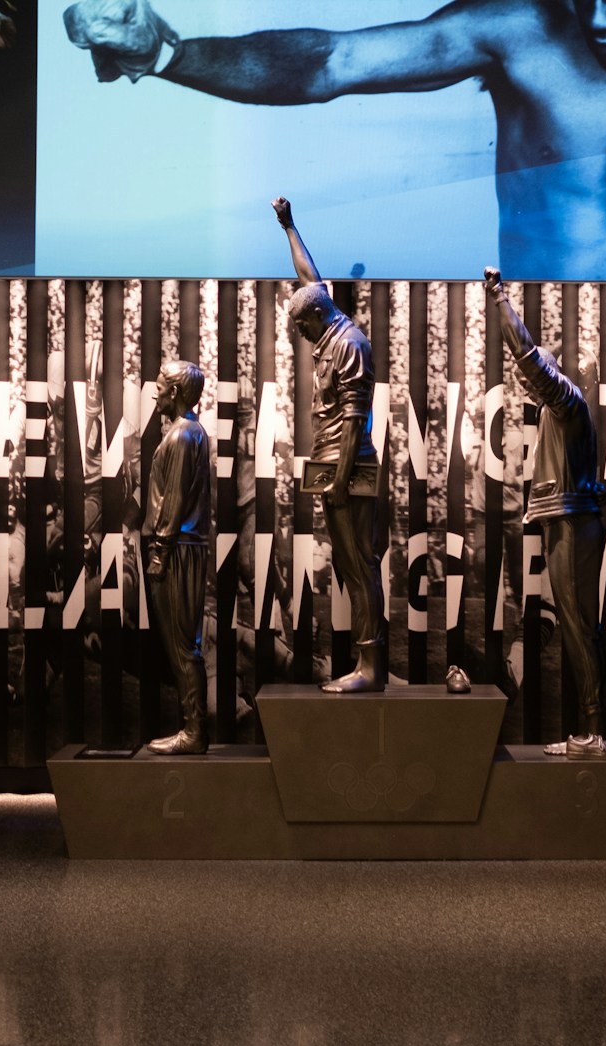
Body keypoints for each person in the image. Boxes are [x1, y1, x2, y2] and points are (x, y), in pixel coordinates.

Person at [60, 0, 606, 281]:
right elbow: (329, 61)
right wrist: (166, 55)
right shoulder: (524, 27)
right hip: (523, 343)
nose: (595, 18)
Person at [486, 266, 606, 760]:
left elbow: (527, 356)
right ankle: (589, 730)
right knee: (575, 625)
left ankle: (594, 731)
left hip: (572, 521)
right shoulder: (565, 410)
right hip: (568, 519)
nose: (531, 384)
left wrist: (501, 299)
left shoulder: (568, 402)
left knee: (577, 626)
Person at [274, 197, 389, 694]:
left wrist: (340, 483)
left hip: (350, 469)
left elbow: (354, 419)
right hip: (332, 467)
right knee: (348, 564)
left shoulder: (351, 345)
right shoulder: (327, 321)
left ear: (319, 316)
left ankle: (371, 668)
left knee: (360, 566)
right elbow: (309, 277)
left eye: (302, 326)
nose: (299, 334)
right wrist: (289, 227)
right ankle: (368, 663)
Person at [143, 360, 214, 755]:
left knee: (183, 645)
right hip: (182, 547)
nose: (155, 393)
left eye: (160, 386)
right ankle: (192, 729)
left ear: (176, 392)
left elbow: (172, 500)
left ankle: (193, 732)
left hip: (178, 550)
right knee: (182, 645)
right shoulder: (186, 433)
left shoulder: (184, 435)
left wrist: (160, 551)